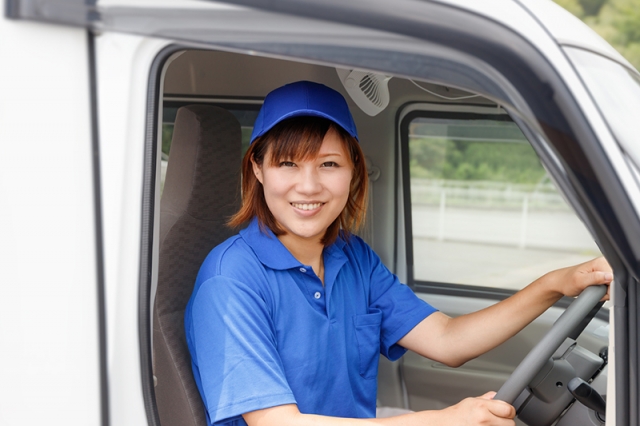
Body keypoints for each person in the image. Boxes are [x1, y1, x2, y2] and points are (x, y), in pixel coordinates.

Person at [184, 81, 613, 426]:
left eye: (329, 164)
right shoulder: (231, 278)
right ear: (258, 169)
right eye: (288, 164)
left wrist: (556, 285)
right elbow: (276, 422)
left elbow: (448, 341)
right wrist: (442, 421)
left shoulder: (353, 258)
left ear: (354, 170)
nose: (309, 186)